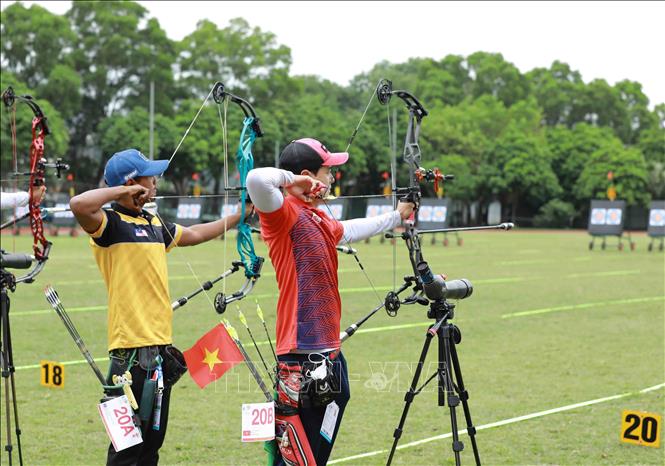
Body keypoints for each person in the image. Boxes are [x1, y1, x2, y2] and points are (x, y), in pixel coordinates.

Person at [69, 148, 249, 466]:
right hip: (129, 355)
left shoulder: (153, 223)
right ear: (131, 183)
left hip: (159, 350)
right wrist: (124, 191)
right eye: (149, 176)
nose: (155, 181)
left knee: (152, 445)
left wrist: (239, 216)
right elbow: (79, 204)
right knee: (126, 449)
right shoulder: (107, 225)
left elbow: (192, 234)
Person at [246, 138, 414, 465]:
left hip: (329, 351)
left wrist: (398, 215)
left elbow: (350, 229)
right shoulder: (282, 213)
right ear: (309, 174)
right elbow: (256, 179)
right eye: (328, 171)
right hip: (300, 353)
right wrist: (298, 182)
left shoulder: (316, 216)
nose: (332, 178)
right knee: (295, 455)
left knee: (321, 441)